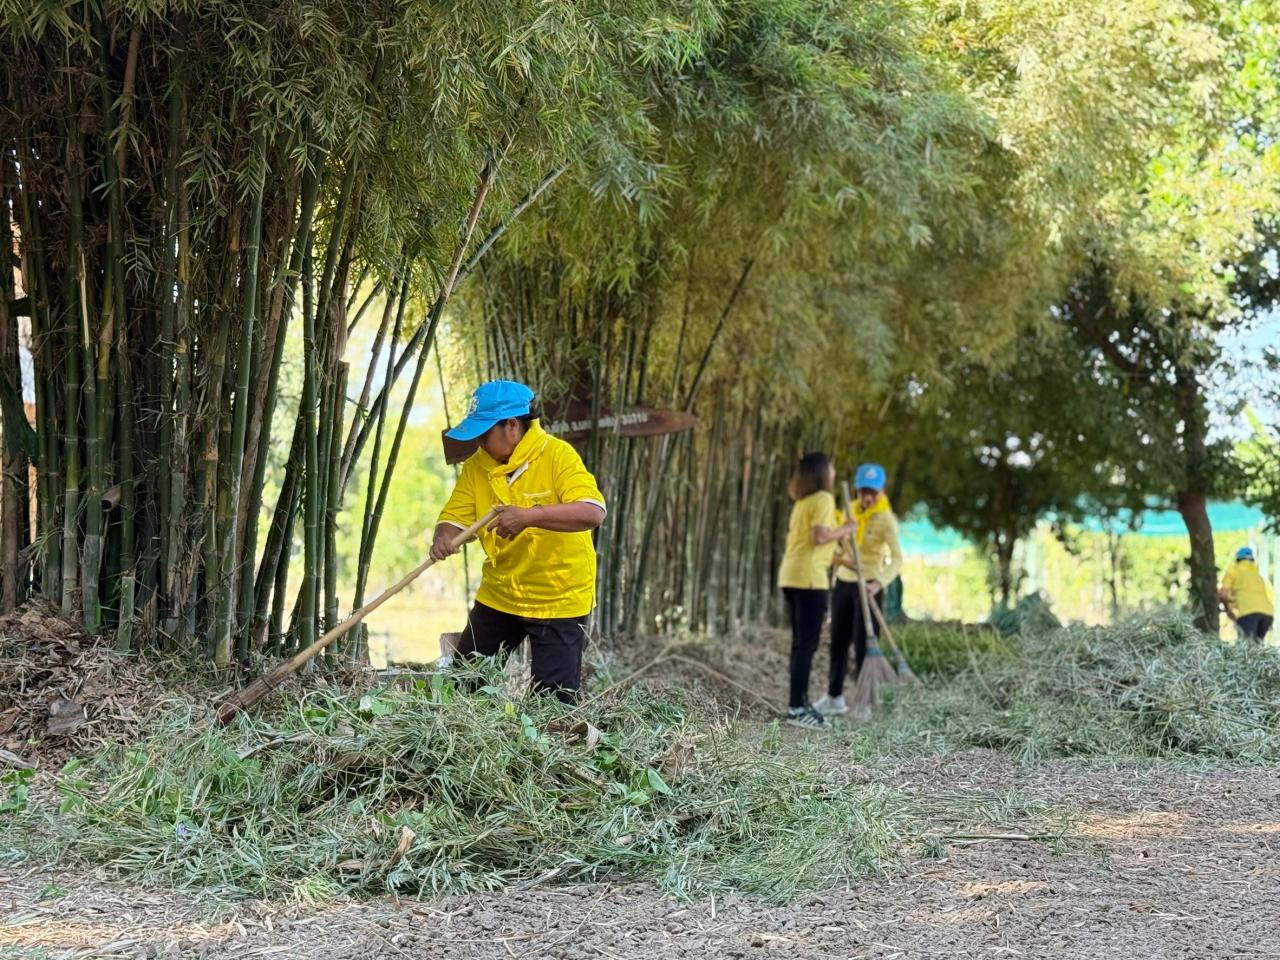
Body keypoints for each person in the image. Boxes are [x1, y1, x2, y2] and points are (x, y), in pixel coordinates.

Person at [430, 380, 606, 703]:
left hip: (559, 597)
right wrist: (443, 536)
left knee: (551, 707)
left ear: (512, 425)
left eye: (485, 434)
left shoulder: (557, 456)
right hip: (502, 592)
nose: (480, 443)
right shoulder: (477, 467)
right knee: (464, 687)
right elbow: (453, 518)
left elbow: (593, 512)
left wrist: (527, 517)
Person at [815, 462, 903, 717]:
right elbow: (840, 547)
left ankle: (865, 702)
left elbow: (897, 559)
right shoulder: (849, 511)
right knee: (838, 641)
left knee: (864, 645)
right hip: (844, 581)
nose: (867, 497)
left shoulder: (886, 519)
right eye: (863, 490)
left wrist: (879, 583)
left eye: (872, 492)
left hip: (869, 587)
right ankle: (834, 697)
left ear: (882, 490)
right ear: (855, 489)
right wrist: (839, 557)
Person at [777, 452, 856, 729]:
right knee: (806, 646)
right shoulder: (823, 499)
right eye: (832, 468)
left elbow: (812, 545)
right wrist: (845, 528)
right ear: (823, 472)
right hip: (809, 580)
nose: (834, 473)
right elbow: (820, 536)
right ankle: (798, 709)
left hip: (791, 575)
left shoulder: (802, 502)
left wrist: (844, 558)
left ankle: (796, 704)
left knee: (800, 644)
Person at [1218, 546, 1274, 643]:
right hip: (1267, 614)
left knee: (1246, 648)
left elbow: (1223, 594)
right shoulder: (1258, 576)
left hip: (1248, 613)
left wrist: (1228, 609)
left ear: (1238, 559)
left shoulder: (1233, 571)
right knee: (1258, 647)